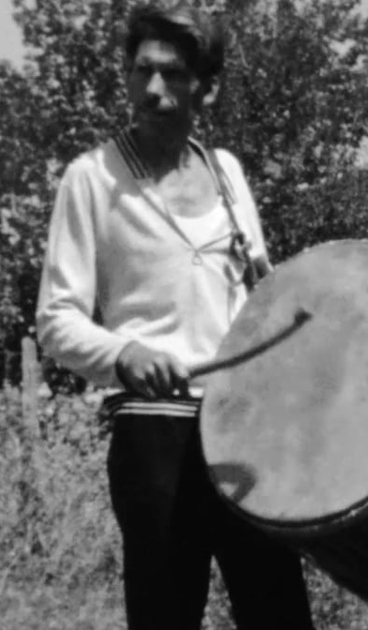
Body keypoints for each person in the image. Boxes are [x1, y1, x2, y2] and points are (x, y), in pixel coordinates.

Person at [36, 4, 313, 629]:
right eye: (141, 71)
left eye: (172, 74)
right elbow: (56, 320)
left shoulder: (228, 175)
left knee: (280, 611)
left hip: (245, 428)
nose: (151, 89)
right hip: (154, 430)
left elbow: (261, 296)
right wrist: (124, 356)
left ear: (205, 88)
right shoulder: (90, 178)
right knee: (166, 615)